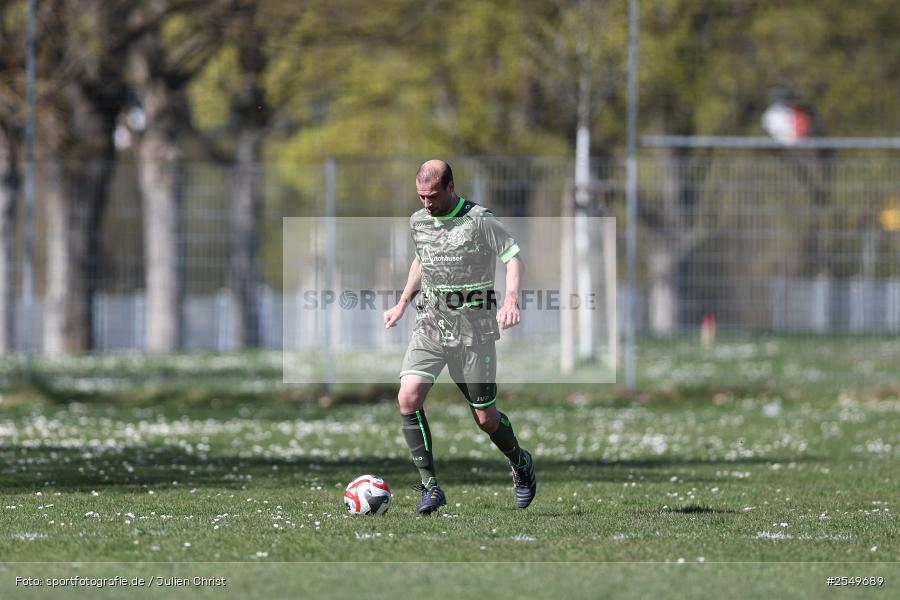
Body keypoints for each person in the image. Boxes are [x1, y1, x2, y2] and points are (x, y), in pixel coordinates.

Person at [383, 159, 536, 514]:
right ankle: (430, 487)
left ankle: (520, 461)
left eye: (433, 196)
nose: (427, 204)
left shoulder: (479, 220)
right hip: (430, 326)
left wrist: (511, 300)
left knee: (486, 419)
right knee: (408, 397)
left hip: (474, 332)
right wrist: (402, 302)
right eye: (421, 196)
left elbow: (513, 258)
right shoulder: (418, 221)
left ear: (451, 187)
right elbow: (421, 260)